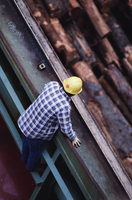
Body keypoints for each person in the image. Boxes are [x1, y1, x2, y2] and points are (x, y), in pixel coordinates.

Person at [17, 76, 82, 172]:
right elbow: (65, 128)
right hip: (36, 133)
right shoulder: (64, 107)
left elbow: (44, 89)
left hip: (25, 121)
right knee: (35, 152)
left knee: (26, 143)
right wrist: (73, 137)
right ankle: (32, 167)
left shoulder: (53, 85)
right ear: (74, 94)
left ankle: (24, 159)